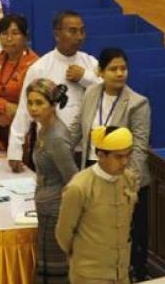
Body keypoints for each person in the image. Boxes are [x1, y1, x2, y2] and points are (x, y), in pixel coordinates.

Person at [69, 48, 151, 281]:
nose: (119, 73)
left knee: (127, 234)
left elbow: (139, 148)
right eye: (113, 69)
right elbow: (76, 129)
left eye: (123, 68)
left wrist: (129, 184)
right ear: (100, 72)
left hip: (124, 178)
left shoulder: (137, 103)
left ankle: (133, 276)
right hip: (93, 171)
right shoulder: (91, 93)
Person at [7, 11, 100, 173]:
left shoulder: (90, 63)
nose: (79, 36)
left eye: (82, 31)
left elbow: (108, 92)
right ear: (57, 34)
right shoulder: (40, 68)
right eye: (72, 31)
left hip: (84, 149)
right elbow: (24, 110)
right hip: (50, 148)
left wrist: (85, 77)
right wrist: (15, 150)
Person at [56, 126, 139, 284]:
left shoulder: (128, 179)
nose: (125, 162)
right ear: (100, 155)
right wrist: (82, 257)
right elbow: (63, 234)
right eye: (118, 157)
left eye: (128, 155)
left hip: (122, 274)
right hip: (89, 277)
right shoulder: (79, 187)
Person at [26, 78, 78, 284]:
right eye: (30, 103)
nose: (33, 108)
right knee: (47, 274)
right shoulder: (43, 128)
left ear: (52, 104)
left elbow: (73, 180)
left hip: (57, 213)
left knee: (58, 276)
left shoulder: (57, 137)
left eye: (39, 103)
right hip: (46, 210)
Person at [0, 14, 39, 150]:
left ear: (26, 37)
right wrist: (5, 106)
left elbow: (35, 104)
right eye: (4, 34)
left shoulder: (35, 65)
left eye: (15, 33)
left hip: (24, 132)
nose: (9, 39)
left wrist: (11, 116)